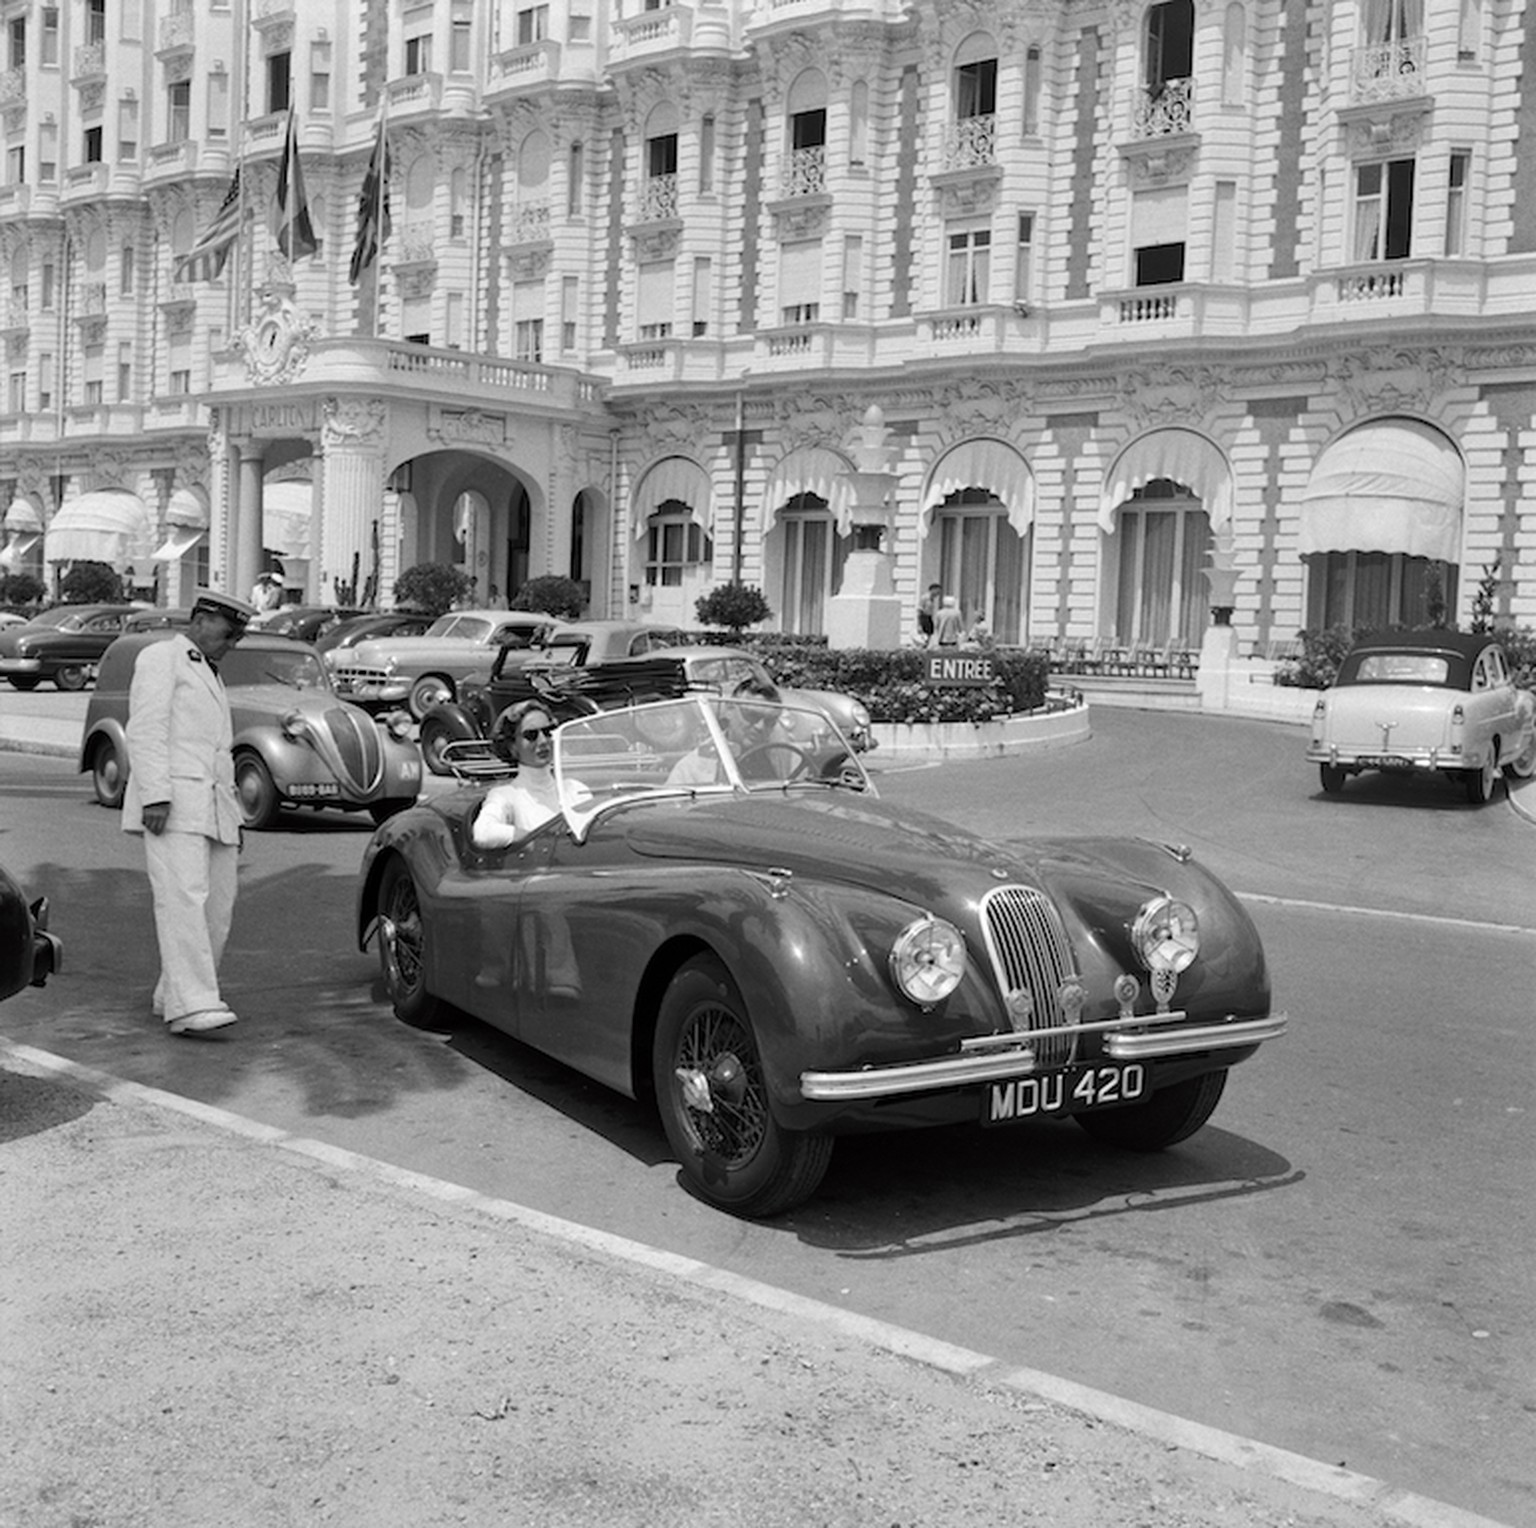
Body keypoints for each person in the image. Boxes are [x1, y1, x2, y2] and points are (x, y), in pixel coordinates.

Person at [122, 589, 256, 1036]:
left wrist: (233, 814)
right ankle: (192, 1005)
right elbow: (145, 728)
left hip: (215, 807)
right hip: (174, 803)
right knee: (183, 900)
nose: (232, 642)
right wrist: (155, 795)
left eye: (238, 635)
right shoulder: (163, 657)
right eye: (228, 631)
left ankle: (171, 992)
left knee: (219, 908)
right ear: (200, 619)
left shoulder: (211, 673)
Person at [471, 699, 588, 847]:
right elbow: (482, 833)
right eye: (531, 735)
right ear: (513, 746)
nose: (543, 741)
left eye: (548, 732)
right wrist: (530, 838)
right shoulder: (506, 795)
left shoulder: (575, 789)